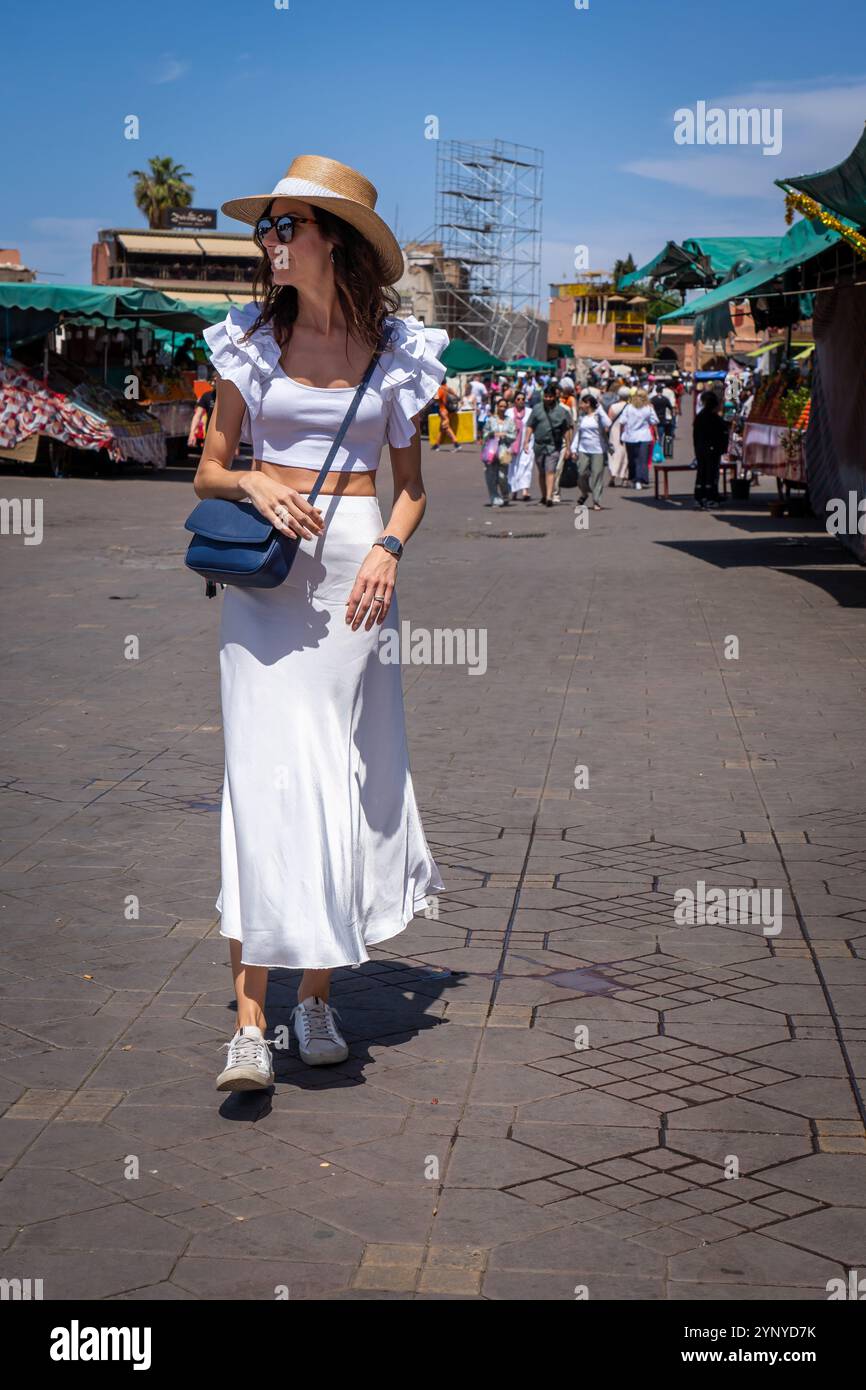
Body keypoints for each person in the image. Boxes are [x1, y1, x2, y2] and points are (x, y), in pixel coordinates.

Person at [194, 154, 445, 1090]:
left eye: (285, 226)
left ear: (331, 241)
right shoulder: (247, 343)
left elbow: (412, 491)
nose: (269, 241)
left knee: (337, 774)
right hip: (263, 586)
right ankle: (250, 1026)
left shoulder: (400, 354)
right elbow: (211, 470)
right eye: (266, 227)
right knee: (263, 782)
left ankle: (315, 997)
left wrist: (386, 550)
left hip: (354, 582)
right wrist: (256, 477)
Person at [525, 385, 573, 507]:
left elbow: (566, 430)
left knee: (550, 470)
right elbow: (530, 425)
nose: (548, 399)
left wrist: (568, 447)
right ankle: (543, 496)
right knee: (541, 472)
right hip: (539, 445)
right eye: (546, 396)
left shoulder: (562, 412)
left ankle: (549, 497)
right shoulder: (537, 409)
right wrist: (526, 441)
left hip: (554, 446)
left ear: (555, 397)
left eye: (550, 396)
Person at [572, 393, 612, 511]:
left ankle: (596, 500)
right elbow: (578, 434)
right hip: (583, 449)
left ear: (588, 403)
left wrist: (599, 408)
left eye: (582, 403)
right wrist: (574, 449)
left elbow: (608, 423)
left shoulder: (598, 416)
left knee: (597, 475)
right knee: (581, 473)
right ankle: (585, 492)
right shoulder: (582, 417)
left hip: (598, 450)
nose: (580, 405)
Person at [693, 390, 730, 508]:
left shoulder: (699, 417)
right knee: (712, 474)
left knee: (701, 473)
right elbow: (723, 433)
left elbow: (695, 435)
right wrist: (723, 449)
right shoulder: (714, 418)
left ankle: (699, 497)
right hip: (712, 450)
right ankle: (711, 497)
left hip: (700, 449)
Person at [618, 387, 657, 491]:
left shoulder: (628, 408)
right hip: (644, 437)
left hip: (630, 437)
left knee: (632, 459)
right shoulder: (648, 408)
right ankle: (640, 480)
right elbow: (654, 421)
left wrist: (620, 435)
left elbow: (622, 422)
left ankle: (635, 479)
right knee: (642, 460)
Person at [482, 396, 515, 507]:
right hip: (491, 451)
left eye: (504, 406)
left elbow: (513, 435)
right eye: (500, 406)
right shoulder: (490, 420)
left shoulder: (509, 421)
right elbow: (484, 434)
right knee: (491, 476)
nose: (502, 408)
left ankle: (505, 493)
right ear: (497, 407)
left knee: (502, 476)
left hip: (504, 451)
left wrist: (504, 435)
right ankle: (494, 497)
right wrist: (492, 434)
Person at [506, 389, 533, 500]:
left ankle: (525, 490)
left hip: (527, 442)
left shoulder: (530, 412)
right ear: (514, 401)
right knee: (512, 467)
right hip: (512, 443)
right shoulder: (509, 412)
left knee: (526, 465)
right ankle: (513, 490)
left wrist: (528, 441)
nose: (521, 401)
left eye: (523, 399)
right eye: (518, 399)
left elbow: (532, 426)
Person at [606, 386, 630, 487]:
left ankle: (612, 477)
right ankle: (625, 478)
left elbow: (608, 422)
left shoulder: (613, 407)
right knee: (625, 455)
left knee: (613, 454)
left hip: (614, 433)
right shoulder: (630, 407)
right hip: (627, 433)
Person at [431, 379, 461, 451]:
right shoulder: (449, 388)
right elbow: (457, 398)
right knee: (441, 429)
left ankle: (456, 444)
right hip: (449, 411)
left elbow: (436, 398)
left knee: (446, 428)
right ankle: (436, 445)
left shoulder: (441, 389)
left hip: (443, 411)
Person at [650, 386, 675, 459]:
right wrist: (672, 417)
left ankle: (658, 454)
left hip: (657, 420)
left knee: (659, 437)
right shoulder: (665, 399)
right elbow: (671, 408)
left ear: (656, 391)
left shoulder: (653, 399)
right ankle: (668, 454)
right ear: (662, 391)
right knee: (668, 437)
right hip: (666, 419)